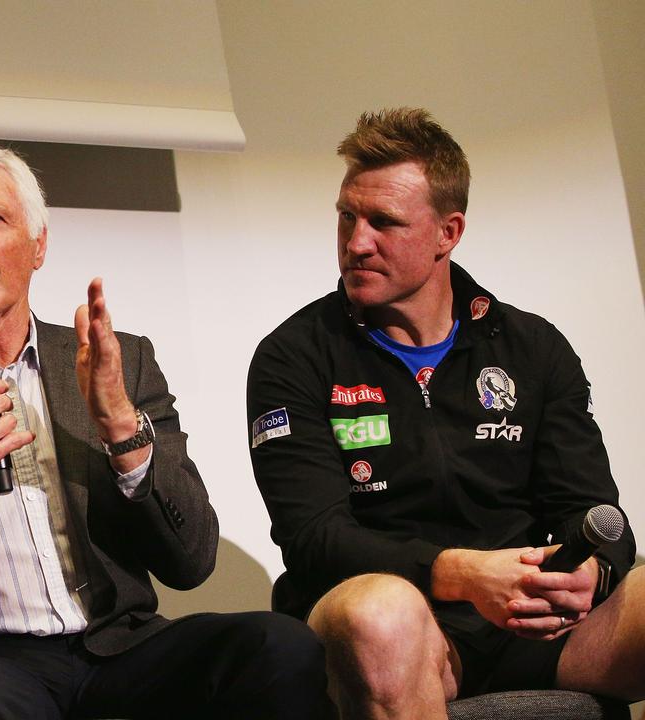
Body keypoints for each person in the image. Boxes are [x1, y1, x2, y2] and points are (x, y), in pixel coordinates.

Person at [0, 145, 326, 720]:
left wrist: (121, 430)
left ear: (38, 245)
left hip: (118, 648)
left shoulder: (117, 362)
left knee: (280, 647)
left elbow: (191, 559)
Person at [246, 107, 644, 718]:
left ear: (447, 232)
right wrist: (459, 574)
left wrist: (591, 568)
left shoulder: (531, 347)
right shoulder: (293, 356)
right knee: (382, 615)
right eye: (347, 218)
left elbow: (591, 508)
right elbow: (314, 540)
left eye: (384, 222)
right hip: (395, 619)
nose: (356, 243)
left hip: (526, 623)